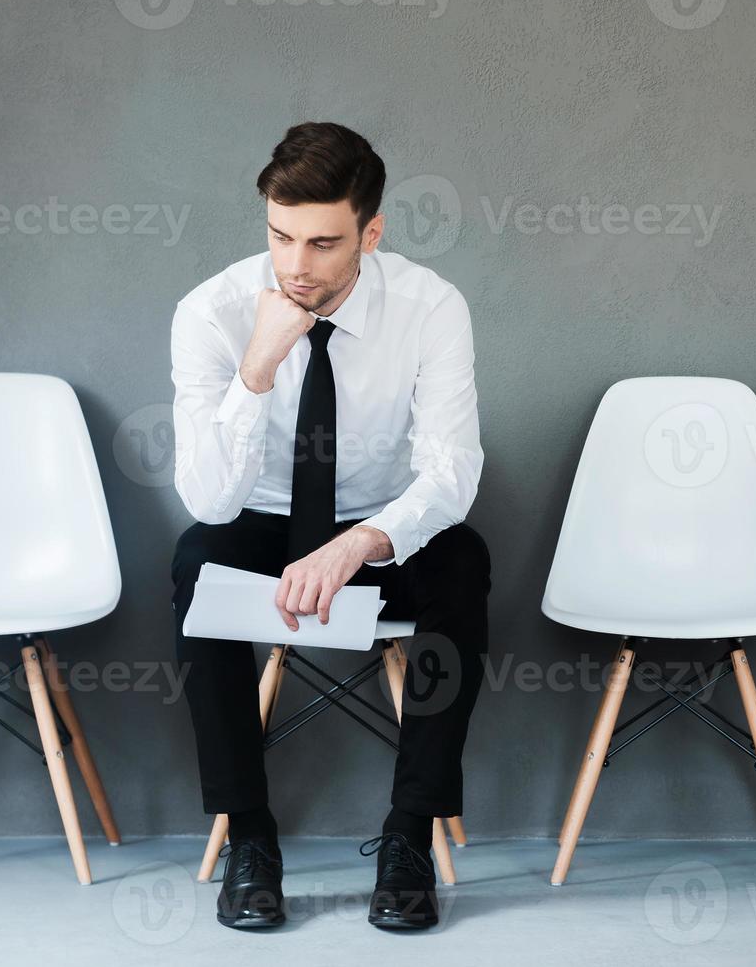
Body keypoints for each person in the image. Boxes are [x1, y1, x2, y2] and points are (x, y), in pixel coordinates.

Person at [169, 121, 490, 931]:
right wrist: (258, 367)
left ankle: (408, 840)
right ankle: (249, 840)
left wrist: (361, 542)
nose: (295, 265)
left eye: (321, 242)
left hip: (376, 532)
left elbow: (451, 473)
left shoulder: (430, 307)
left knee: (462, 562)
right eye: (280, 236)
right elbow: (209, 500)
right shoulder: (212, 312)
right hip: (264, 521)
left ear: (369, 233)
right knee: (197, 559)